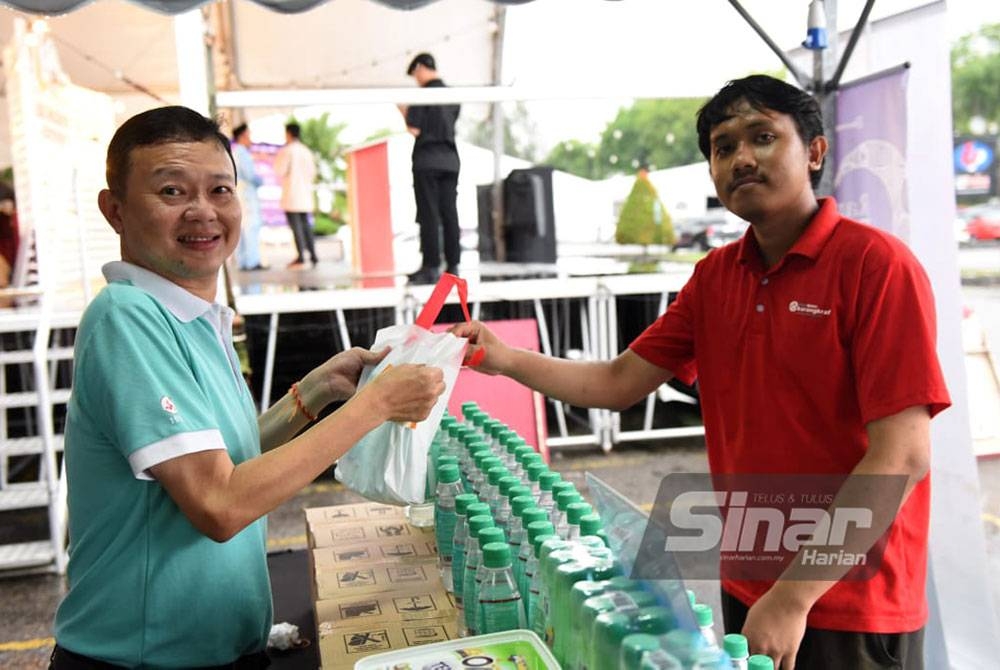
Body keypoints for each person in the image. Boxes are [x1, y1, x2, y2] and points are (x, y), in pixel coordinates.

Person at [452, 75, 950, 670]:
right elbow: (616, 383)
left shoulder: (876, 267)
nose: (741, 157)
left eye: (762, 137)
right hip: (749, 588)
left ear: (815, 151)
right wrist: (500, 357)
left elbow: (901, 455)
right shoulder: (716, 278)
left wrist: (794, 596)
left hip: (848, 598)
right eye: (722, 147)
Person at [51, 106, 445, 669]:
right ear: (114, 210)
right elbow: (220, 503)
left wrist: (314, 393)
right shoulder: (127, 317)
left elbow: (225, 461)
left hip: (216, 648)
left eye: (220, 190)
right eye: (171, 191)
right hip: (142, 660)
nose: (203, 212)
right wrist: (376, 406)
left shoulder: (193, 315)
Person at [399, 52, 461, 284]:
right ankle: (454, 265)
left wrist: (402, 111)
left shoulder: (422, 96)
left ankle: (431, 266)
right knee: (450, 212)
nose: (416, 78)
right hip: (450, 159)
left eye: (416, 73)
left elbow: (414, 129)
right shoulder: (452, 96)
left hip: (427, 159)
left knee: (429, 214)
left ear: (421, 68)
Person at [273, 122, 318, 269]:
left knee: (297, 227)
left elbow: (279, 170)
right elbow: (313, 173)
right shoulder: (306, 151)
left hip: (292, 194)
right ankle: (313, 255)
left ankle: (301, 256)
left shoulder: (288, 151)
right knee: (306, 226)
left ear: (289, 134)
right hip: (304, 194)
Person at [232, 123, 267, 271]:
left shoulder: (236, 152)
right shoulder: (241, 153)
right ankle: (251, 262)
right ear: (242, 136)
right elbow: (250, 175)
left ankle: (245, 261)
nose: (250, 139)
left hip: (242, 195)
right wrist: (261, 180)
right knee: (250, 228)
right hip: (246, 196)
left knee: (244, 229)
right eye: (248, 135)